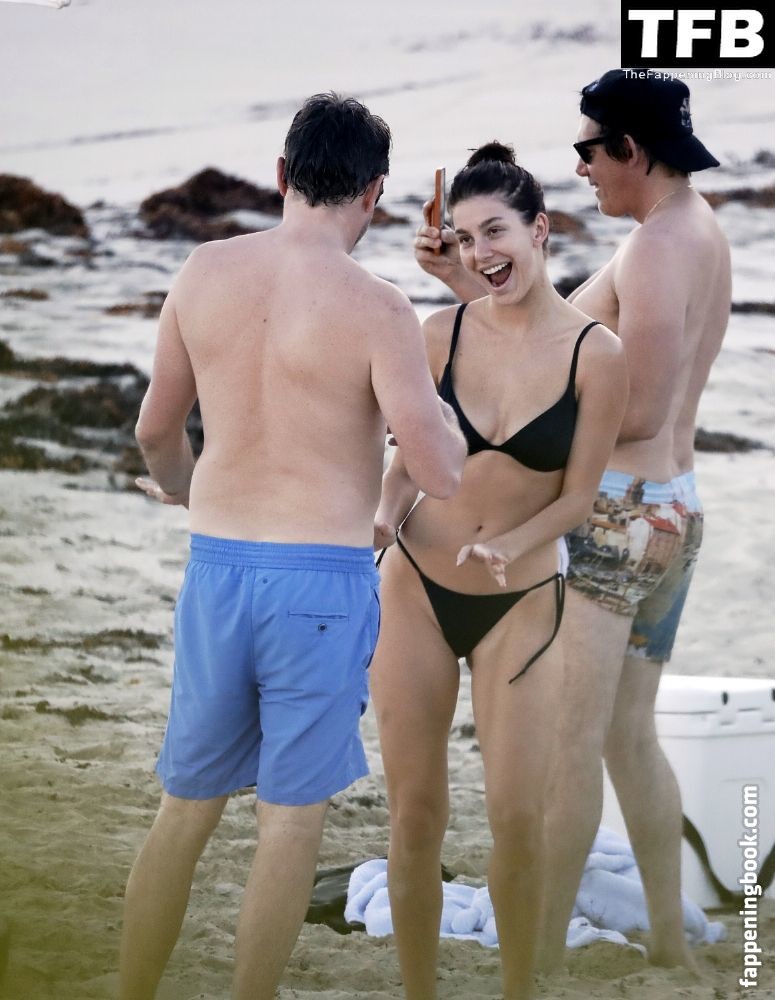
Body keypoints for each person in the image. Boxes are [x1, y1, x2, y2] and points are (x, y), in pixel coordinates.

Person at [119, 92, 467, 1000]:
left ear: (281, 174)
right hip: (319, 584)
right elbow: (438, 471)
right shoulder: (379, 307)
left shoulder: (203, 270)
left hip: (218, 567)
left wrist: (191, 490)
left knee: (184, 809)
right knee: (289, 820)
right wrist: (445, 419)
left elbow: (155, 430)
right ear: (376, 192)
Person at [414, 70, 731, 972]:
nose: (582, 168)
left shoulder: (657, 249)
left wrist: (531, 432)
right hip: (672, 512)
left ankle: (542, 959)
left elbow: (637, 403)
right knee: (629, 738)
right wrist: (465, 280)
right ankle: (666, 941)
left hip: (616, 521)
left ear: (631, 149)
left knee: (570, 751)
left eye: (589, 150)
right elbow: (554, 347)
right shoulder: (690, 228)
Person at [373, 142, 627, 1000]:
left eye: (496, 231)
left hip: (520, 602)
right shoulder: (436, 332)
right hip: (416, 585)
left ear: (540, 230)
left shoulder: (596, 354)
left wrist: (511, 547)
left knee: (516, 820)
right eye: (465, 236)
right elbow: (407, 459)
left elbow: (579, 498)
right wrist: (380, 518)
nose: (481, 252)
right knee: (414, 815)